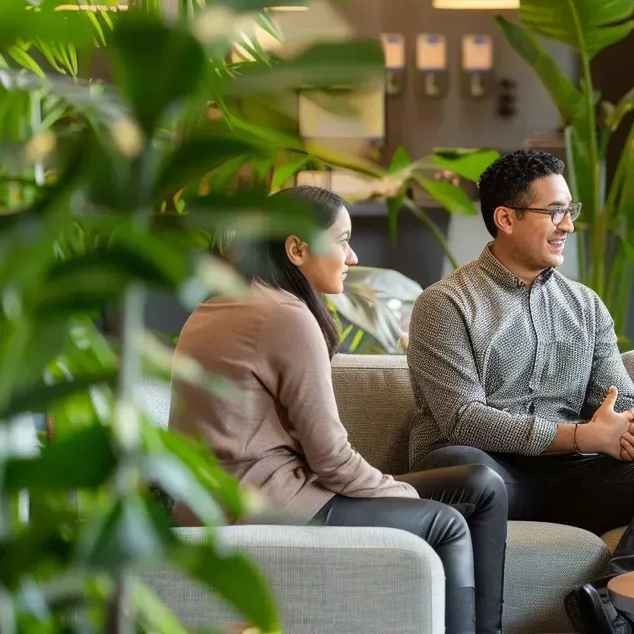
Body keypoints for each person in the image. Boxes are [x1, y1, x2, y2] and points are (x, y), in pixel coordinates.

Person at [405, 150, 634, 634]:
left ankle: (617, 610)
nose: (567, 225)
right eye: (554, 212)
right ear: (505, 218)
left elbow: (621, 397)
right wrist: (581, 437)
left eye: (570, 211)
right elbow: (463, 418)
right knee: (468, 464)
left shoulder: (585, 305)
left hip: (568, 479)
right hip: (488, 474)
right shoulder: (445, 304)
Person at [172, 186, 507, 634]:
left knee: (481, 485)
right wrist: (401, 492)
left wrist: (390, 488)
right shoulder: (284, 316)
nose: (352, 258)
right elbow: (330, 459)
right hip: (263, 506)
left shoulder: (219, 303)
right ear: (297, 248)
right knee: (445, 524)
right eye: (343, 240)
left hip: (227, 500)